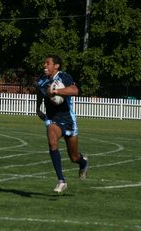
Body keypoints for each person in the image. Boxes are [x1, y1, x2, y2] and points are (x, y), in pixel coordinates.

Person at [36, 55, 88, 193]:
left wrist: (56, 91)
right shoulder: (42, 80)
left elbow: (75, 90)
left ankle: (83, 163)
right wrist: (37, 108)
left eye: (48, 63)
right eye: (44, 63)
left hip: (68, 120)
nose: (44, 65)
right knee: (52, 141)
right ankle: (61, 180)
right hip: (52, 118)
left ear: (56, 66)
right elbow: (40, 92)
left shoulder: (63, 77)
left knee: (74, 157)